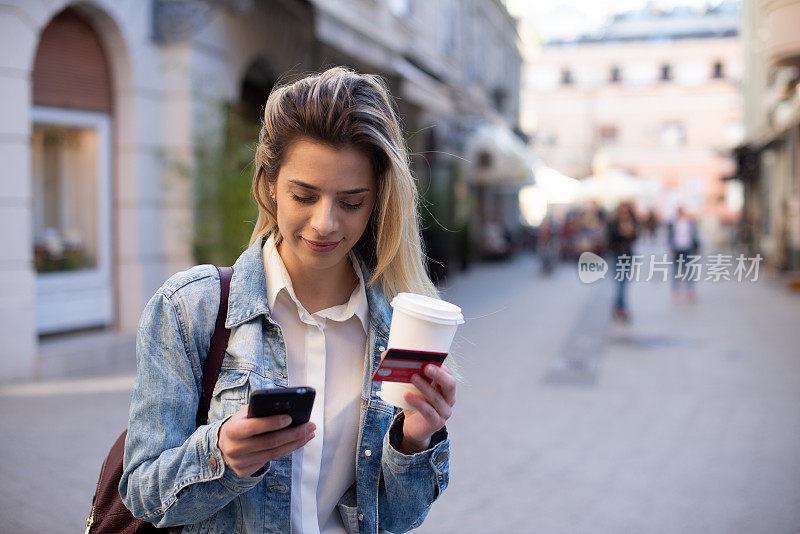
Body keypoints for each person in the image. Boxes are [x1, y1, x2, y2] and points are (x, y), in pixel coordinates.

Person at [120, 67, 456, 533]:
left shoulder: (395, 332)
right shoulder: (189, 309)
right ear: (269, 184)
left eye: (351, 202)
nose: (325, 223)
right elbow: (142, 495)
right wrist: (223, 455)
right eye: (304, 195)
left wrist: (414, 443)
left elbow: (395, 521)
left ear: (378, 200)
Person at [607, 202, 638, 322]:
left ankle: (618, 307)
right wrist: (621, 232)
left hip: (627, 255)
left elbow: (635, 238)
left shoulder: (632, 222)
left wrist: (630, 232)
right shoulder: (613, 223)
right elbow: (610, 239)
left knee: (623, 282)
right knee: (619, 282)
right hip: (616, 255)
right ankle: (622, 307)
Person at [668, 206, 700, 303]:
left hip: (688, 248)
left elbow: (694, 235)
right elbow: (670, 236)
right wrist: (671, 247)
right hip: (677, 249)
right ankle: (676, 290)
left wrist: (696, 247)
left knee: (689, 270)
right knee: (676, 271)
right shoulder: (673, 223)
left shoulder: (689, 222)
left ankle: (690, 291)